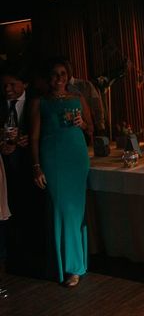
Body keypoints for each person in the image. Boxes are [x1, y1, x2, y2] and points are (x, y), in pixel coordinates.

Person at [29, 57, 93, 287]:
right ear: (49, 77)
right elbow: (34, 137)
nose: (59, 78)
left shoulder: (78, 98)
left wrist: (82, 124)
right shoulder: (39, 102)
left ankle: (75, 267)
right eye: (55, 74)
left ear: (68, 77)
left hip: (76, 157)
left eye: (63, 74)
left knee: (75, 212)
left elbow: (92, 129)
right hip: (53, 159)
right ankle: (65, 265)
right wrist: (36, 166)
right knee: (60, 210)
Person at [0, 65, 46, 276]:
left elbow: (47, 131)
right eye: (4, 85)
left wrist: (32, 140)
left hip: (31, 167)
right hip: (6, 170)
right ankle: (15, 260)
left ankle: (35, 260)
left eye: (12, 84)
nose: (7, 89)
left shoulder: (36, 102)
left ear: (24, 84)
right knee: (11, 216)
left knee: (33, 213)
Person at [66, 60, 105, 137]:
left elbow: (97, 105)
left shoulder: (85, 85)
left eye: (68, 68)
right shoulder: (56, 90)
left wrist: (101, 126)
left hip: (86, 128)